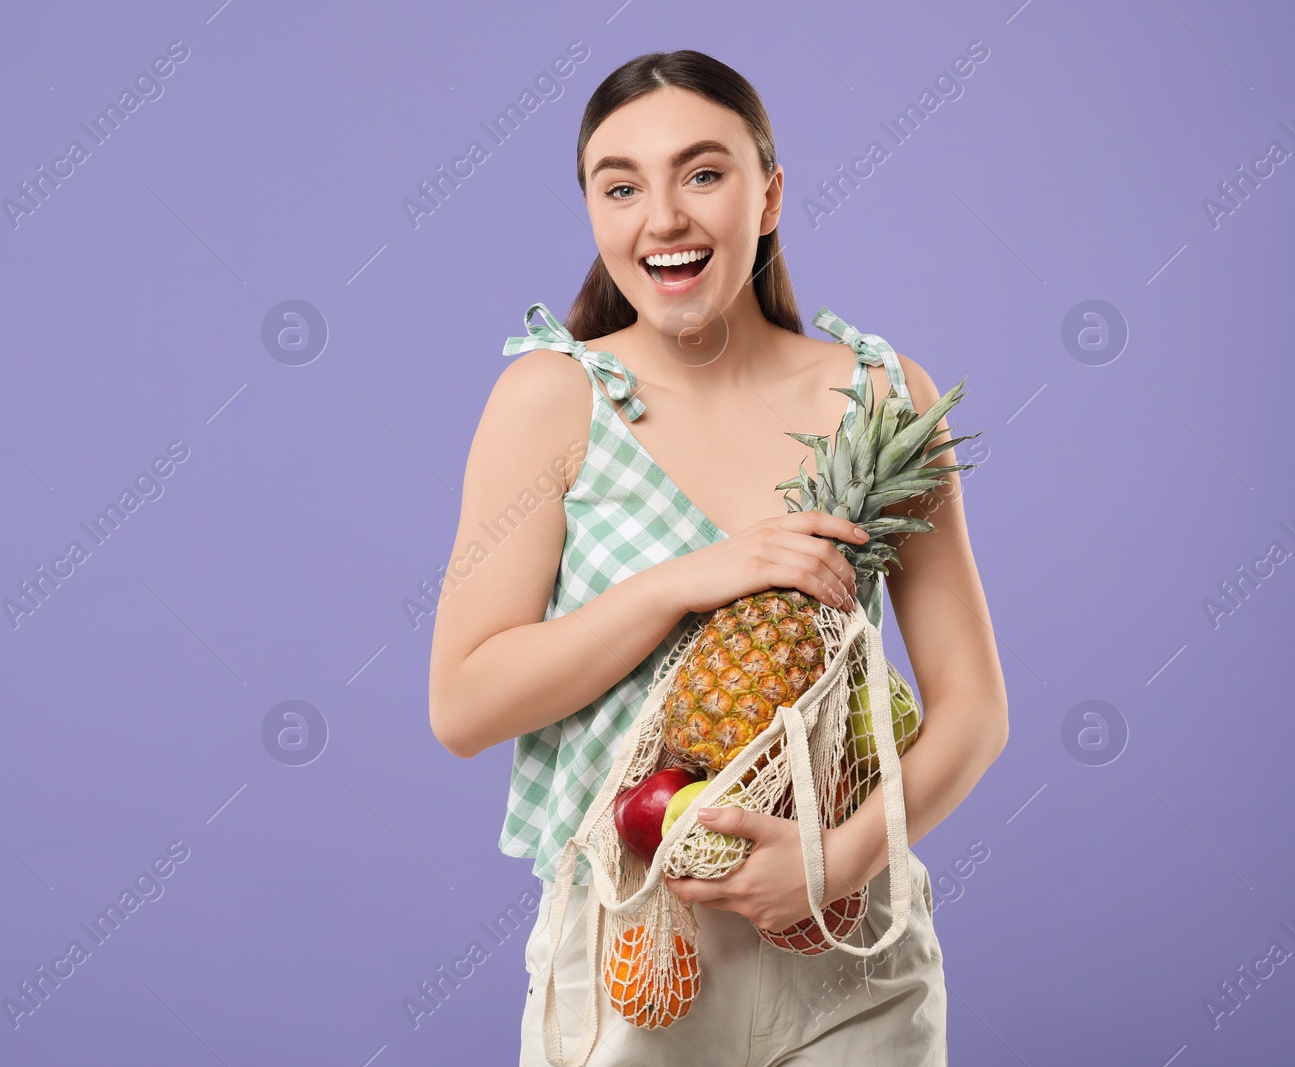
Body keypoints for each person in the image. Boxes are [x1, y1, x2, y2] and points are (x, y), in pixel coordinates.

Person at [427, 49, 1008, 1066]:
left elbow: (973, 707)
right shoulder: (553, 399)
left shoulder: (881, 393)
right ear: (595, 213)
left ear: (769, 193)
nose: (662, 218)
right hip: (637, 951)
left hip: (851, 949)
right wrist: (686, 579)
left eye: (702, 173)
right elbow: (464, 705)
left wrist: (837, 857)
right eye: (620, 187)